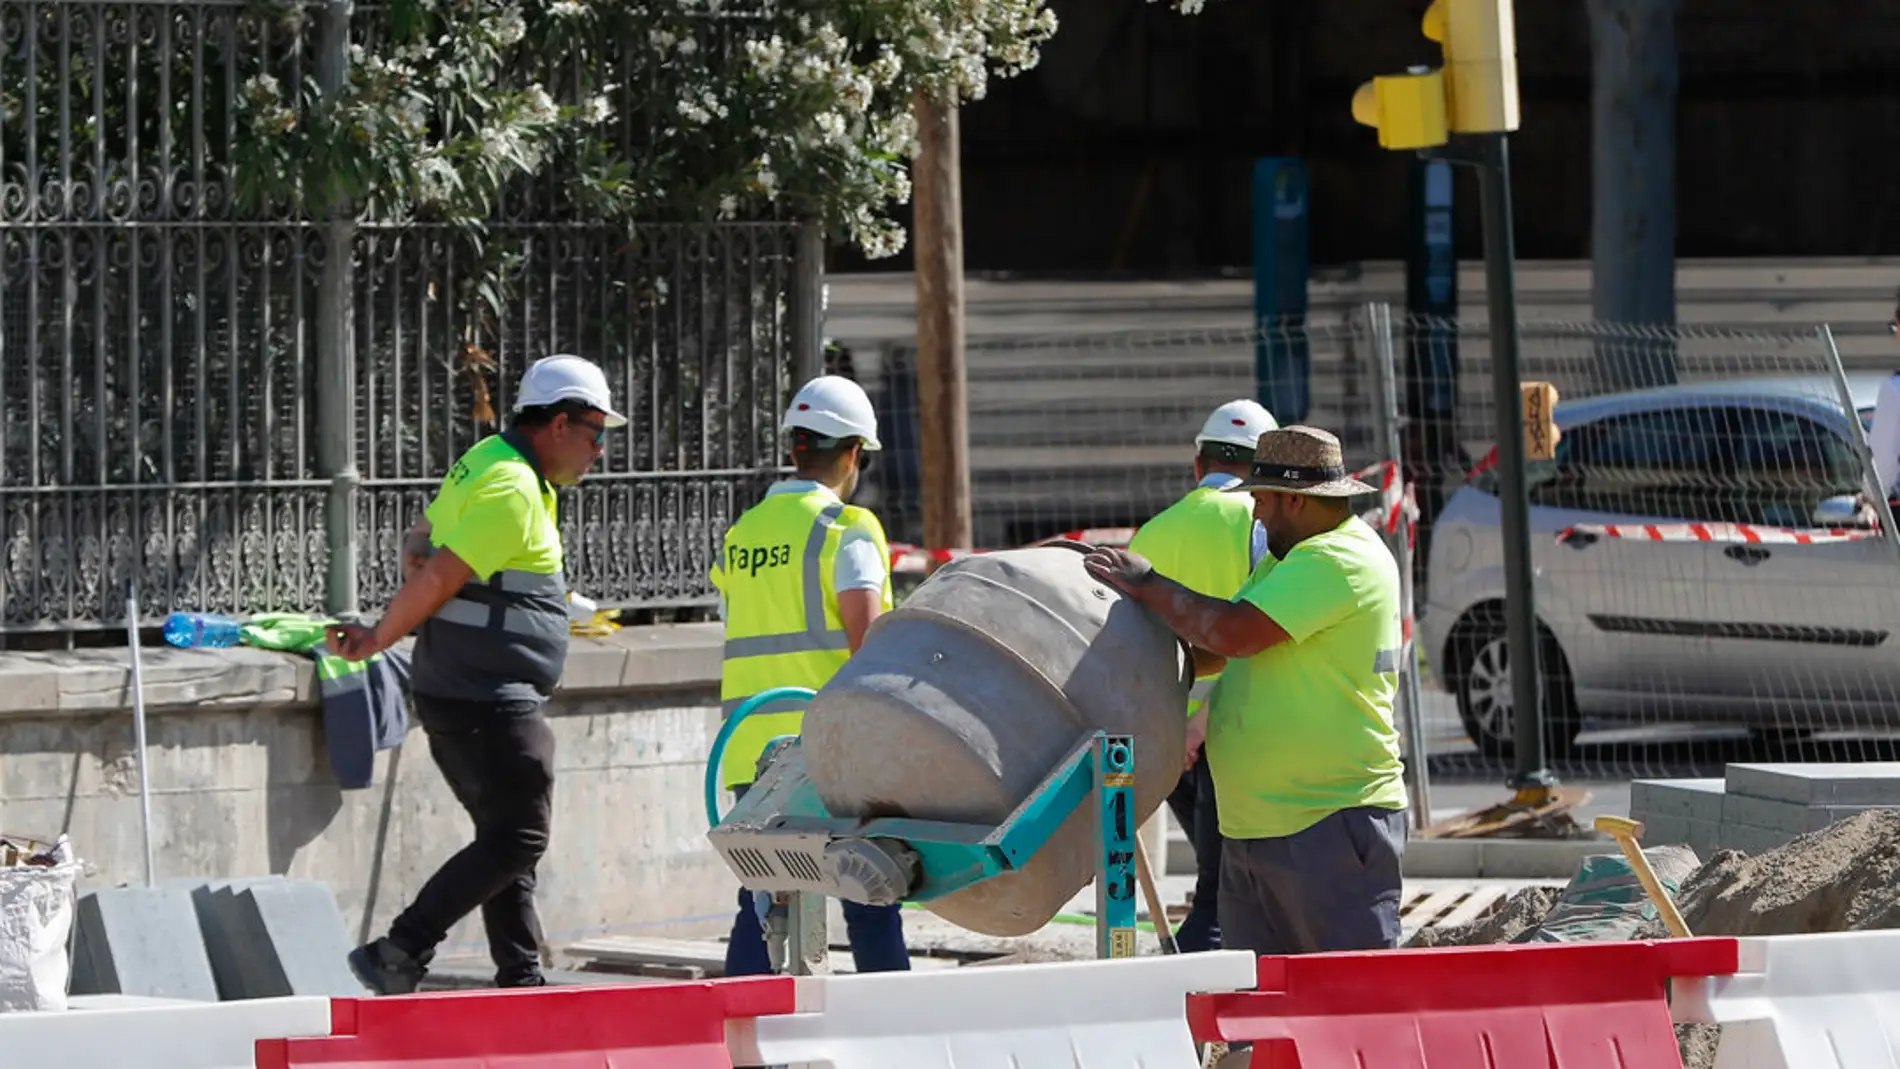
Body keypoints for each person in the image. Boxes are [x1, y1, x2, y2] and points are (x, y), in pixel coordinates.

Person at [330, 353, 626, 993]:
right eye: (596, 433)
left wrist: (423, 575)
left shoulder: (488, 462)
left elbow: (421, 539)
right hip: (488, 699)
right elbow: (436, 573)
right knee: (519, 835)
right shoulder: (512, 488)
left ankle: (519, 975)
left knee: (502, 837)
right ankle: (399, 948)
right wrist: (377, 637)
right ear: (559, 425)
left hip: (458, 689)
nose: (599, 450)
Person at [1084, 425, 1407, 958]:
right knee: (1260, 1006)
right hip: (1266, 825)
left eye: (1260, 499)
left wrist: (1149, 583)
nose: (1254, 513)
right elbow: (1228, 647)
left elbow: (1232, 631)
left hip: (1325, 823)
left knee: (1339, 1001)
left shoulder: (1337, 560)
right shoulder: (1290, 558)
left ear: (1295, 502)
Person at [712, 374, 910, 976]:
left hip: (753, 746)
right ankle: (895, 1037)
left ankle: (742, 1034)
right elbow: (869, 644)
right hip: (830, 747)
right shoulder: (846, 529)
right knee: (871, 894)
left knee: (765, 897)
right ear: (853, 453)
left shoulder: (742, 534)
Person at [1125, 399, 1276, 952]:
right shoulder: (1262, 525)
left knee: (1230, 885)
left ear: (1198, 464)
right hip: (1234, 730)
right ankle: (1189, 1006)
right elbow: (1265, 628)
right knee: (1224, 894)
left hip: (1171, 738)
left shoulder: (1152, 534)